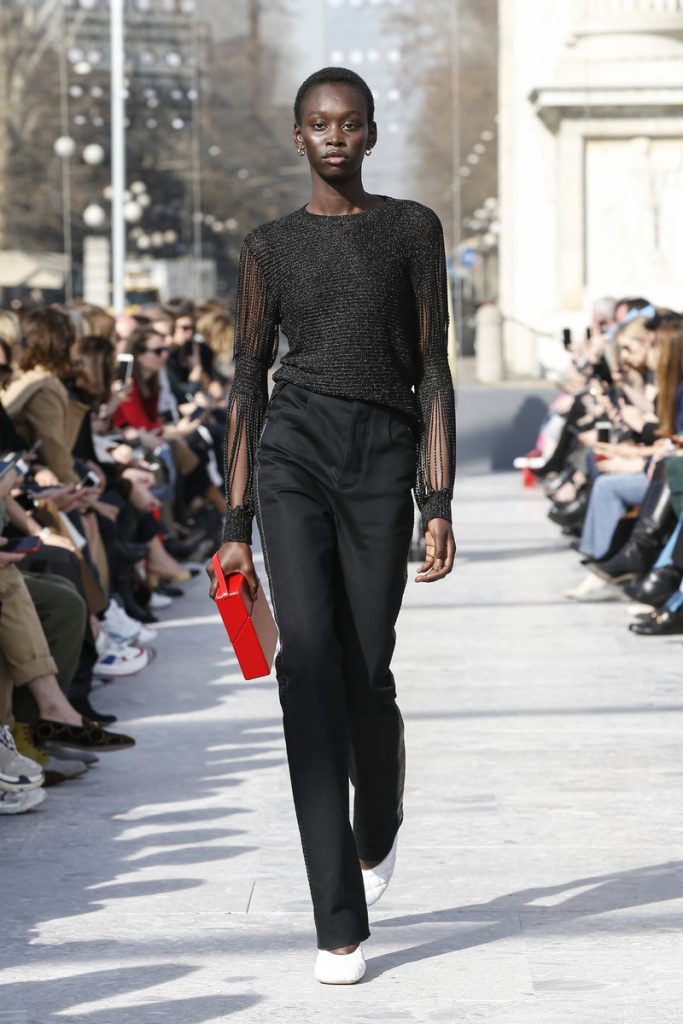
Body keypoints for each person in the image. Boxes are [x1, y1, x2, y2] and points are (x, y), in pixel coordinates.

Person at [207, 66, 456, 984]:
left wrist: (437, 500)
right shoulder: (268, 247)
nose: (336, 136)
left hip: (382, 456)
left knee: (365, 672)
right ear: (298, 136)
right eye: (319, 124)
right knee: (306, 663)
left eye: (350, 123)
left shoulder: (411, 229)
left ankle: (377, 820)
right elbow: (246, 380)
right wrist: (235, 519)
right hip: (294, 453)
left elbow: (432, 368)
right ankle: (336, 923)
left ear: (371, 133)